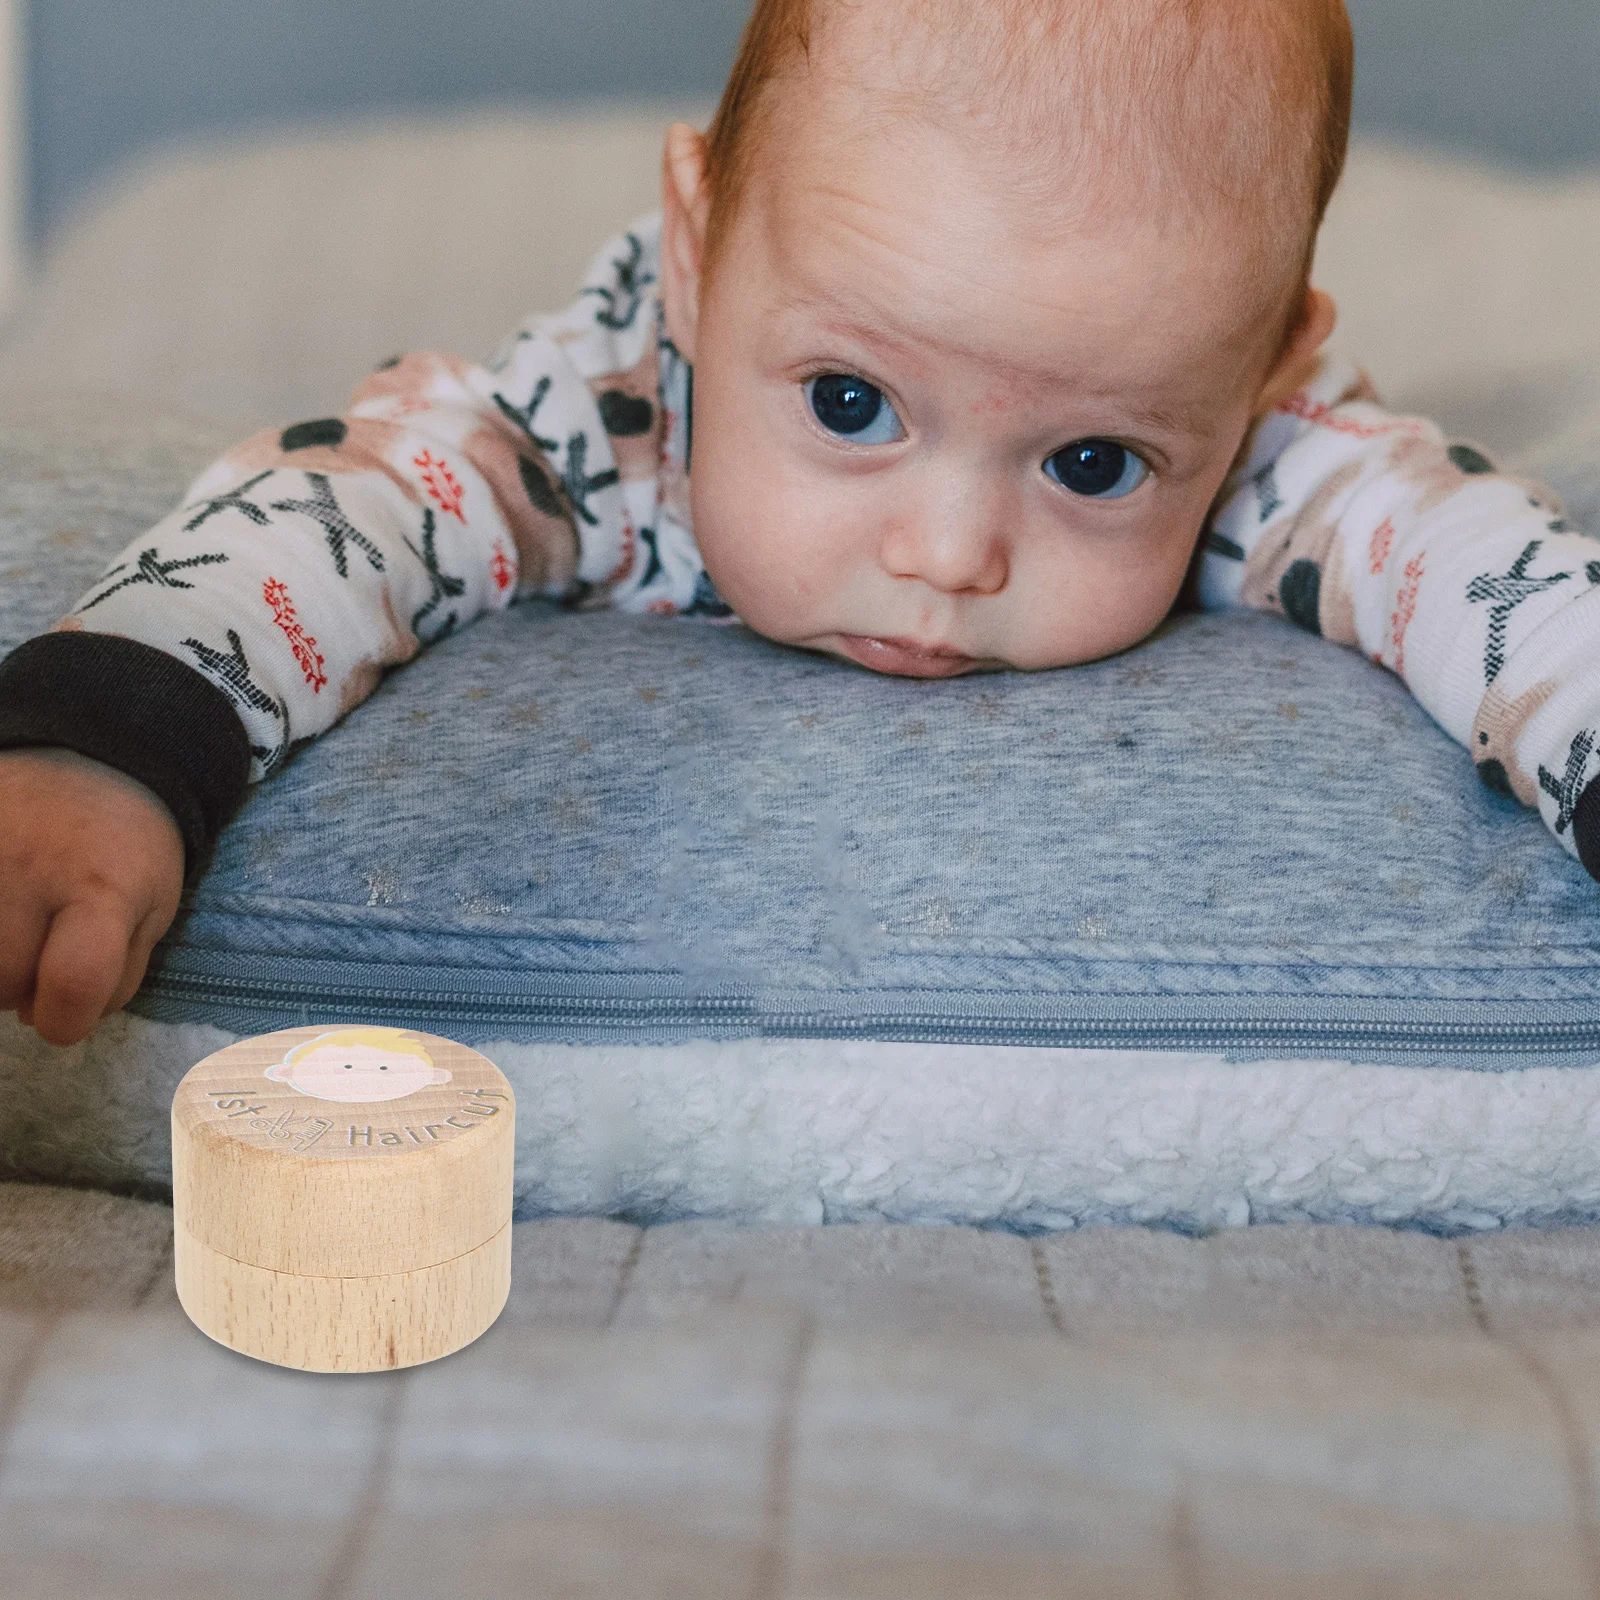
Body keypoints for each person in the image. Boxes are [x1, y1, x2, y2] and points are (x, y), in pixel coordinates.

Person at [2, 0, 1594, 1049]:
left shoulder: (1260, 446)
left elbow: (1477, 562)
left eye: (1095, 464)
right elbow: (347, 507)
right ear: (699, 262)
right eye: (850, 403)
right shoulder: (600, 412)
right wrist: (109, 747)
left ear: (1266, 374)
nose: (948, 557)